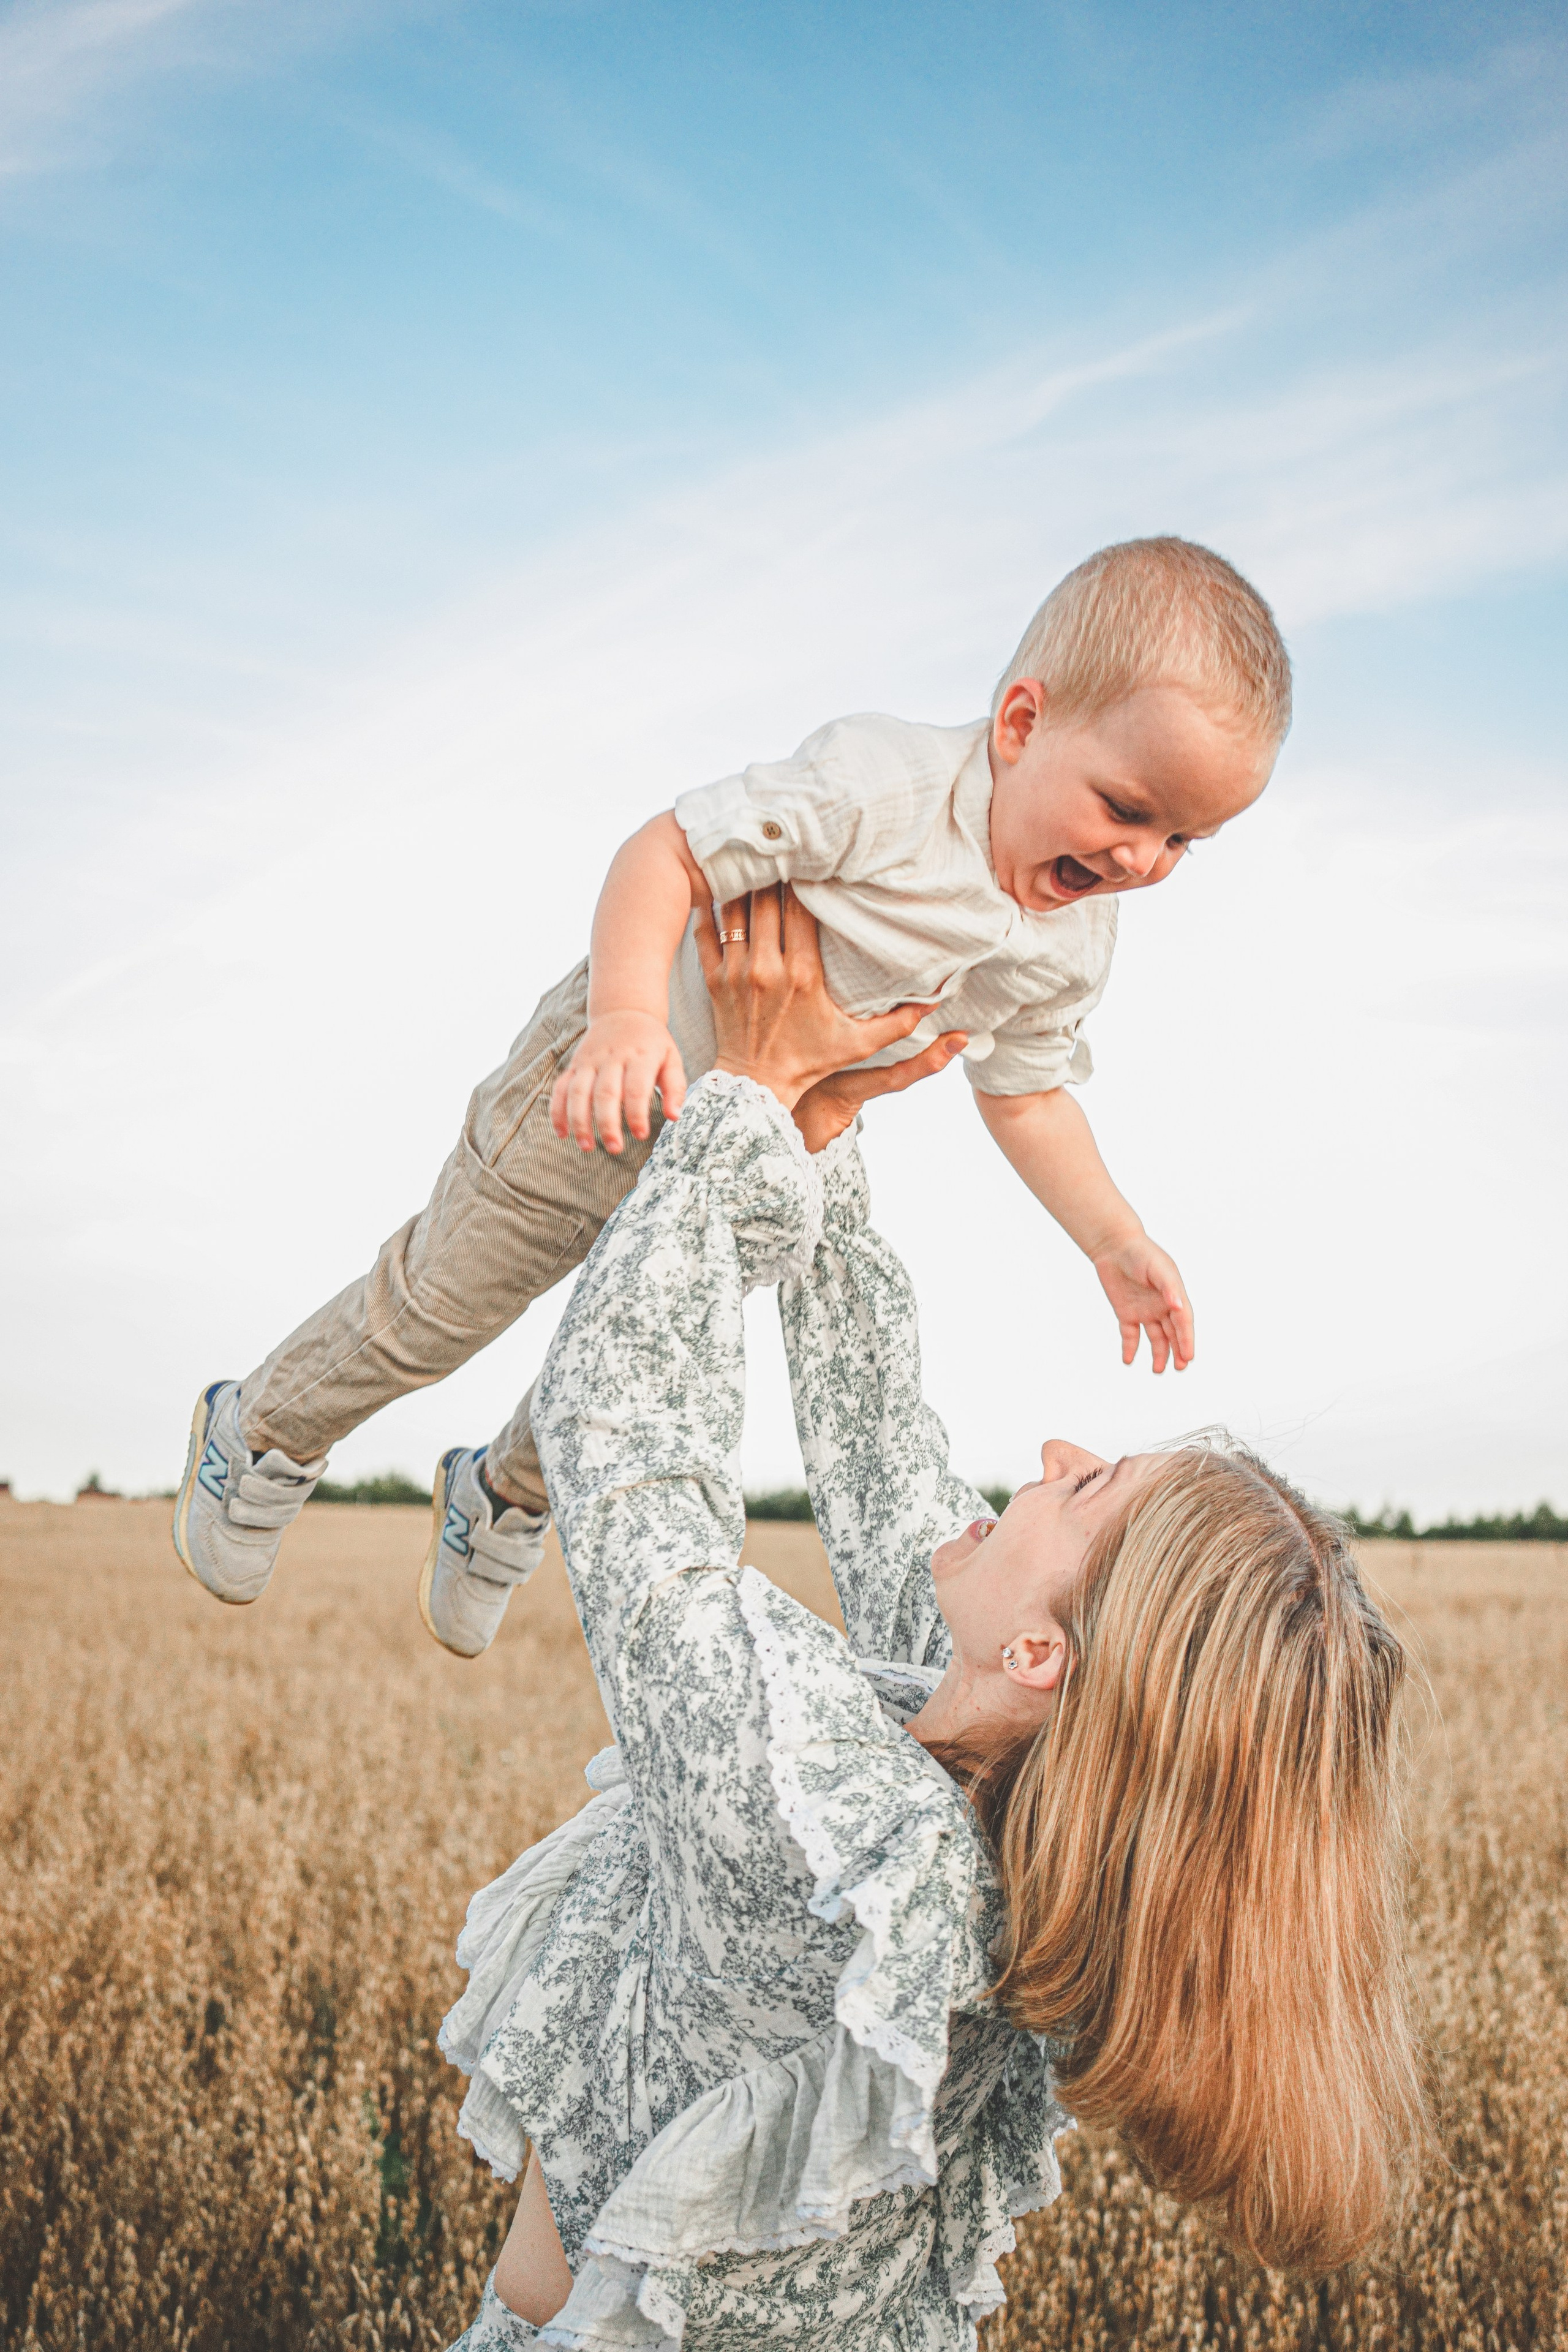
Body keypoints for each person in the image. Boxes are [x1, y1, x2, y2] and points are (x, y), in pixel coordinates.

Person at [437, 887, 1422, 2350]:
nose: (1052, 1455)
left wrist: (738, 1097)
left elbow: (626, 1455)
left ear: (1040, 1655)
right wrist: (817, 1123)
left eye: (1085, 1491)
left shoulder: (835, 1847)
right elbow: (877, 1435)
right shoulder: (986, 1781)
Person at [173, 537, 1291, 1659]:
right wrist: (624, 1019)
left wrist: (1113, 1237)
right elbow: (666, 855)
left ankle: (500, 1497)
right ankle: (261, 1432)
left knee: (638, 1352)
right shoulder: (885, 787)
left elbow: (1030, 1095)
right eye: (1126, 809)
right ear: (1021, 723)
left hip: (768, 1143)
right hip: (613, 1081)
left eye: (1182, 841)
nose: (1142, 860)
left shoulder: (1073, 941)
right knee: (439, 1307)